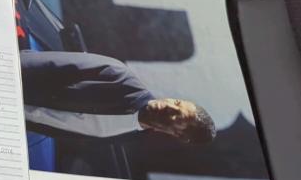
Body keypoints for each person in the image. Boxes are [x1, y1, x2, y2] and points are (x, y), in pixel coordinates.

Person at [20, 50, 216, 144]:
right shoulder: (118, 75)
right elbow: (43, 63)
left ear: (179, 135)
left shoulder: (124, 138)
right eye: (177, 102)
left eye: (178, 116)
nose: (170, 106)